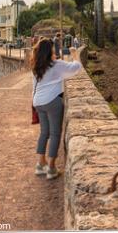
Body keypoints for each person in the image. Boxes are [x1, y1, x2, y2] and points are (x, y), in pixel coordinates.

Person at [30, 38, 82, 180]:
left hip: (38, 102)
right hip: (52, 102)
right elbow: (76, 68)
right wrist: (75, 54)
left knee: (44, 133)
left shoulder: (36, 66)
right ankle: (51, 168)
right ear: (50, 51)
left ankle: (41, 164)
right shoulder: (56, 65)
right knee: (54, 134)